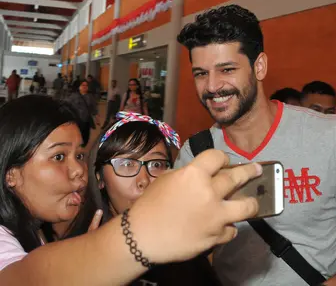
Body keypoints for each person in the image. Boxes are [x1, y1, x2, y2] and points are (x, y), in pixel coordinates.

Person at [176, 4, 336, 286]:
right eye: (201, 73)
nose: (212, 86)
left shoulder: (332, 137)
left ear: (259, 66)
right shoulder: (195, 155)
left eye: (226, 69)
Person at [0, 95, 262, 285]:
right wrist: (135, 238)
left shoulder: (44, 230)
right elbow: (23, 277)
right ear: (11, 173)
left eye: (79, 156)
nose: (77, 170)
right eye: (58, 157)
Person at [78, 111, 222, 285]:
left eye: (156, 164)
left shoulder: (186, 252)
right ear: (100, 178)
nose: (144, 180)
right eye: (126, 164)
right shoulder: (75, 254)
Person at [65, 80, 99, 145]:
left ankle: (83, 145)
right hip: (77, 119)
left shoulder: (90, 96)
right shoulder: (74, 96)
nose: (85, 87)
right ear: (79, 87)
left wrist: (96, 118)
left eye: (86, 85)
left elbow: (93, 108)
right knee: (77, 132)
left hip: (86, 119)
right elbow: (67, 105)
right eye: (83, 85)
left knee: (86, 135)